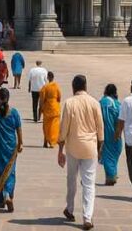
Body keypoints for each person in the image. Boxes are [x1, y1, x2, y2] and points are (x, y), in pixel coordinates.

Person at [58, 75, 104, 230]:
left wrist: (60, 150)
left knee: (71, 180)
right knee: (89, 184)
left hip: (73, 147)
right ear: (86, 86)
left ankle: (70, 209)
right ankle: (87, 217)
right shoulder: (94, 103)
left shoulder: (69, 103)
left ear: (73, 87)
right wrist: (99, 148)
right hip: (90, 147)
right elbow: (100, 129)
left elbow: (64, 128)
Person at [0, 87, 23, 212]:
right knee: (10, 172)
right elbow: (18, 129)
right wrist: (21, 143)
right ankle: (7, 194)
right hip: (10, 148)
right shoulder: (14, 113)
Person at [99, 84, 123, 186]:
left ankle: (111, 176)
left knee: (107, 154)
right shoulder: (118, 104)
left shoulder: (101, 102)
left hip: (104, 132)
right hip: (116, 132)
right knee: (114, 154)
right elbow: (122, 118)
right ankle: (112, 174)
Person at [38, 72, 62, 148]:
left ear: (48, 78)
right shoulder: (56, 86)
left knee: (46, 126)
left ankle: (46, 142)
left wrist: (41, 108)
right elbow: (59, 97)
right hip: (55, 108)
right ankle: (52, 142)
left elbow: (42, 99)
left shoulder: (45, 87)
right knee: (54, 126)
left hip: (47, 108)